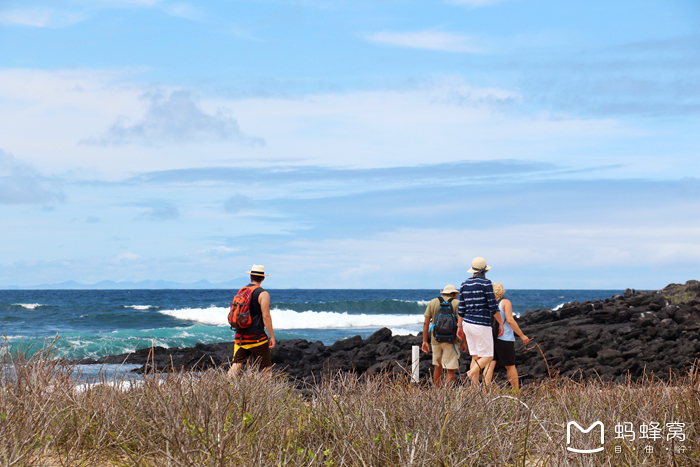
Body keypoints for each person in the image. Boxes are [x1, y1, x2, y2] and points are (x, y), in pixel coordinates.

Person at [458, 257, 504, 385]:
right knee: (488, 356)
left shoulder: (464, 284)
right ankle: (471, 373)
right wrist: (500, 322)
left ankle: (474, 390)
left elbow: (461, 307)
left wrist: (459, 327)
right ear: (484, 271)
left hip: (467, 323)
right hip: (481, 324)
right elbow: (493, 306)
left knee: (475, 356)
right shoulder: (486, 283)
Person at [227, 265, 276, 376]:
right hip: (257, 338)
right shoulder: (263, 293)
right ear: (263, 278)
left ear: (250, 276)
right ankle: (265, 392)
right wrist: (272, 336)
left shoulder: (242, 291)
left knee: (236, 365)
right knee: (265, 369)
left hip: (240, 337)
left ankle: (223, 387)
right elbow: (266, 316)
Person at [484, 283, 530, 389]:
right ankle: (516, 391)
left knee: (490, 363)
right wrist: (522, 335)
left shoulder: (487, 304)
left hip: (490, 337)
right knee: (510, 365)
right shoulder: (505, 302)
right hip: (504, 338)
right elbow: (510, 320)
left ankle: (485, 391)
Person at [421, 285, 467, 387]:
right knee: (450, 369)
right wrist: (464, 341)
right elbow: (461, 325)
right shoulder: (457, 303)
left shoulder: (433, 302)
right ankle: (448, 395)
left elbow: (426, 323)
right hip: (452, 341)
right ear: (454, 294)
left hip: (436, 340)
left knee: (438, 366)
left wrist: (424, 341)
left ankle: (437, 393)